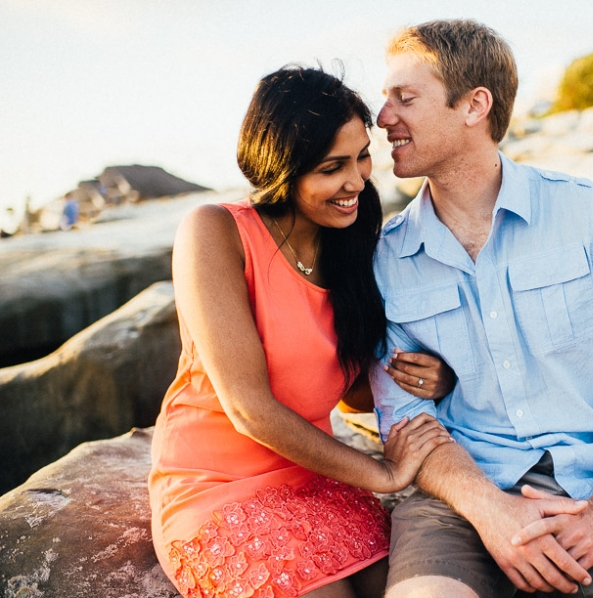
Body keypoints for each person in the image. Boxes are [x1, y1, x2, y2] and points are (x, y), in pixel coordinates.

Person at [370, 19, 593, 598]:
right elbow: (404, 419)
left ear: (474, 106)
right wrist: (491, 511)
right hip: (460, 500)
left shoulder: (588, 213)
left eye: (405, 97)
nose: (383, 117)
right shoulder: (387, 256)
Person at [148, 65, 456, 598]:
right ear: (282, 168)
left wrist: (434, 378)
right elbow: (248, 409)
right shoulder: (216, 231)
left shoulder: (351, 242)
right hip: (217, 490)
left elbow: (353, 394)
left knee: (415, 587)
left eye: (362, 156)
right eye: (333, 167)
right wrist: (383, 474)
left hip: (317, 479)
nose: (357, 181)